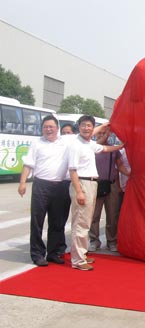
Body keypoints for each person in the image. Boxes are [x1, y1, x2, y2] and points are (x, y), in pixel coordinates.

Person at [68, 115, 123, 271]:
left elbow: (105, 148)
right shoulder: (75, 145)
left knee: (85, 221)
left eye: (89, 126)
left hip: (92, 184)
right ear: (79, 127)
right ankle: (78, 260)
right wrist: (79, 191)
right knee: (80, 222)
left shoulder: (89, 144)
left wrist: (121, 146)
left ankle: (82, 254)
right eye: (84, 125)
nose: (87, 128)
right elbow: (72, 170)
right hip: (82, 183)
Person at [18, 115, 72, 266]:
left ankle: (54, 253)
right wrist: (22, 182)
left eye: (51, 127)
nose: (48, 130)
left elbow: (88, 136)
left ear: (57, 128)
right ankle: (37, 254)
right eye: (45, 127)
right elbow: (28, 164)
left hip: (61, 186)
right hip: (41, 186)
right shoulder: (37, 143)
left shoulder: (66, 142)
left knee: (57, 222)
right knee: (37, 221)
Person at [88, 128, 129, 252]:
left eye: (104, 133)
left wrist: (130, 175)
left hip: (111, 185)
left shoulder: (114, 149)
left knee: (112, 215)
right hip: (95, 185)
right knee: (94, 215)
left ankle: (112, 241)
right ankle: (94, 240)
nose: (102, 135)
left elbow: (120, 165)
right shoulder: (91, 148)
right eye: (100, 133)